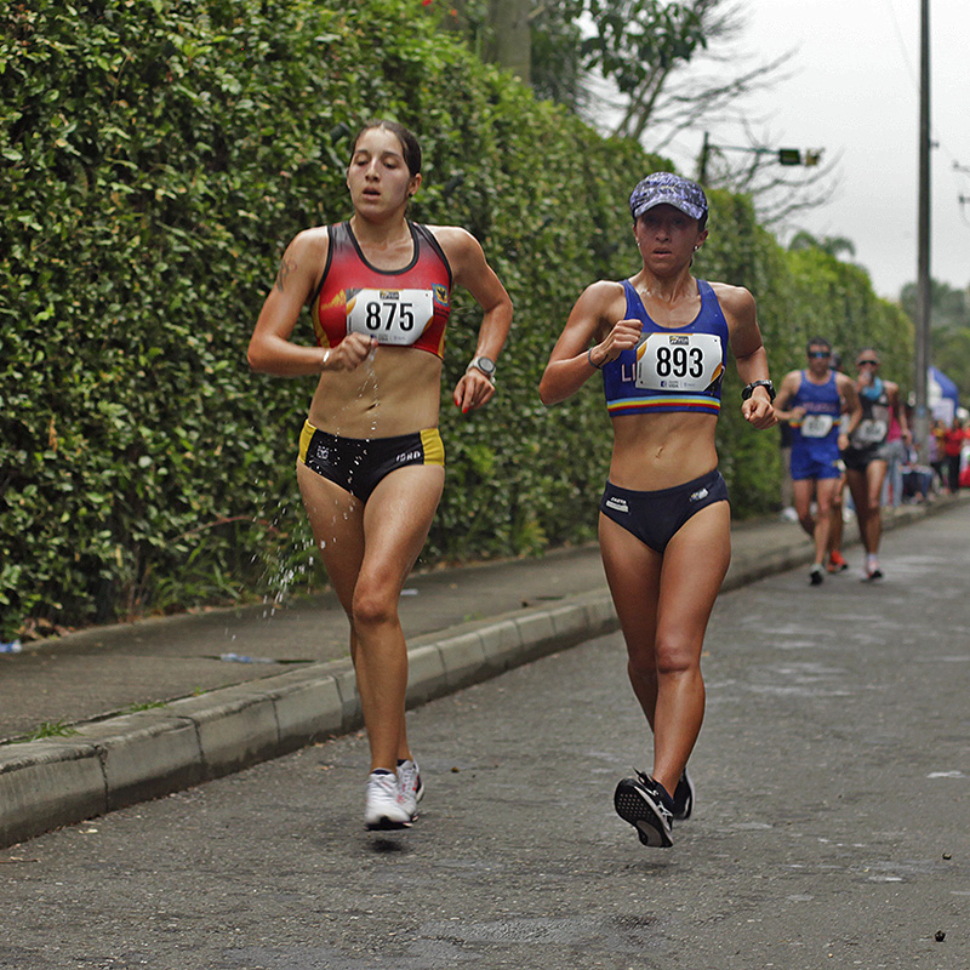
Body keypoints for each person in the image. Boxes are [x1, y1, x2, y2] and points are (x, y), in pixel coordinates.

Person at [248, 120, 512, 830]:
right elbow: (262, 348)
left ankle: (383, 775)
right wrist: (321, 358)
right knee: (363, 617)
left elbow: (498, 305)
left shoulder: (449, 248)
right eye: (360, 160)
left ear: (413, 182)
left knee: (374, 602)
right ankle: (403, 762)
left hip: (408, 450)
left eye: (389, 163)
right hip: (327, 454)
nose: (371, 172)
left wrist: (482, 364)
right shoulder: (315, 249)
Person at [539, 172, 776, 849]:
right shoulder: (605, 300)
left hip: (700, 498)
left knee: (677, 654)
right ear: (636, 230)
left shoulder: (728, 304)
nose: (663, 234)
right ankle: (670, 776)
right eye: (651, 222)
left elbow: (753, 348)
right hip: (624, 508)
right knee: (643, 661)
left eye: (677, 222)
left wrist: (757, 389)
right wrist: (598, 351)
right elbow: (550, 386)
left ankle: (659, 785)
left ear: (701, 233)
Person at [774, 338, 861, 585]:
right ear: (808, 357)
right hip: (802, 452)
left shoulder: (842, 383)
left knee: (825, 508)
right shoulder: (794, 380)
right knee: (803, 512)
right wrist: (790, 414)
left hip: (828, 452)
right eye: (815, 354)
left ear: (830, 357)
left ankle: (817, 561)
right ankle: (822, 544)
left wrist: (846, 433)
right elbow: (773, 410)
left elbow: (856, 410)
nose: (820, 359)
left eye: (824, 355)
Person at [841, 348, 909, 581]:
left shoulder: (890, 389)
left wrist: (905, 431)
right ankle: (867, 553)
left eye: (872, 363)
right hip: (854, 451)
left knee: (872, 502)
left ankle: (873, 557)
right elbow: (841, 411)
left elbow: (898, 410)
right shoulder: (850, 386)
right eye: (863, 363)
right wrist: (857, 391)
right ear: (857, 365)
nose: (867, 367)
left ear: (877, 366)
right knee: (861, 508)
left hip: (878, 449)